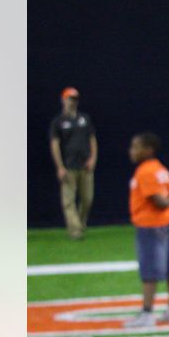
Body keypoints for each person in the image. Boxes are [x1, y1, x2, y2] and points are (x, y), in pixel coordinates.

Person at [124, 133, 169, 328]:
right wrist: (168, 204)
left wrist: (164, 204)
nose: (132, 151)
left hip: (150, 225)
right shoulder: (159, 168)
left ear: (148, 150)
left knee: (150, 270)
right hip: (167, 223)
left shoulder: (145, 171)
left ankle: (147, 313)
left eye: (136, 146)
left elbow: (159, 200)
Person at [49, 87, 98, 240]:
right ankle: (75, 230)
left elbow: (92, 139)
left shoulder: (84, 119)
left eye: (75, 99)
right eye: (70, 98)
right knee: (68, 201)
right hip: (69, 166)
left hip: (85, 165)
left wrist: (93, 158)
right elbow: (55, 144)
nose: (73, 101)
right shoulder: (58, 122)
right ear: (63, 100)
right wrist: (60, 167)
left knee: (87, 198)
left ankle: (80, 224)